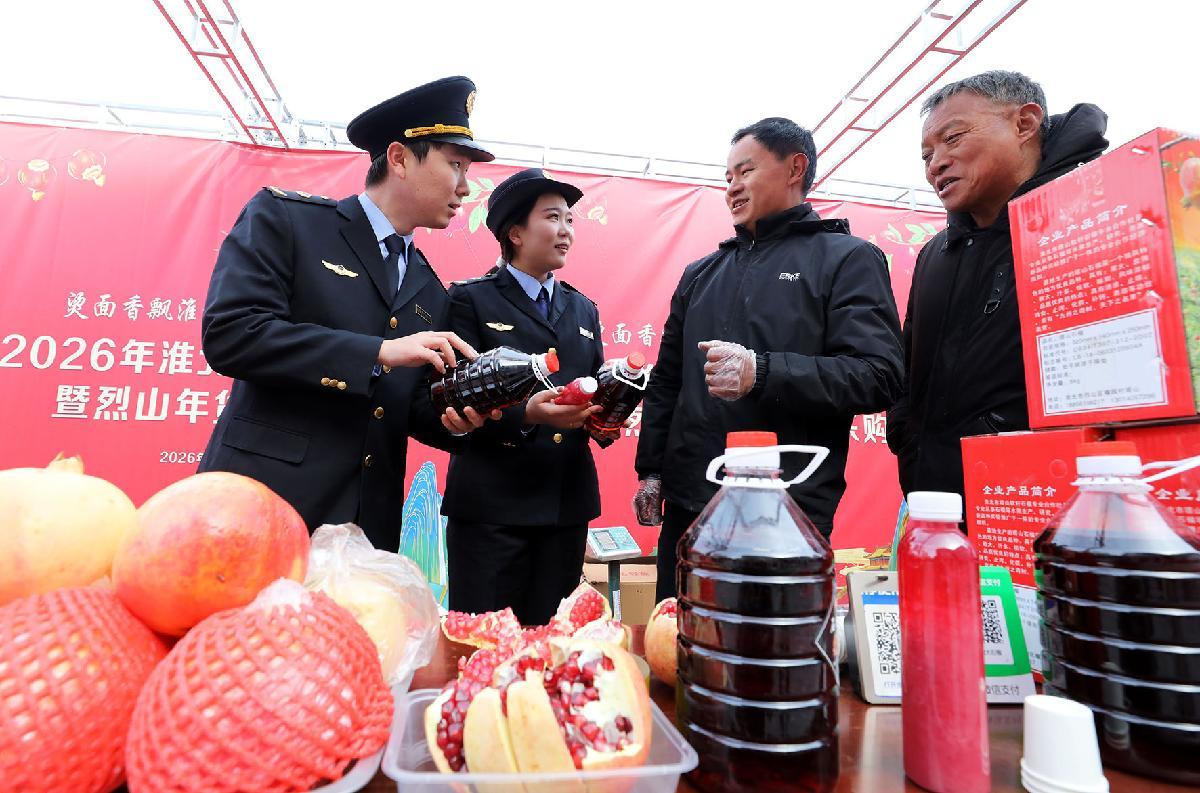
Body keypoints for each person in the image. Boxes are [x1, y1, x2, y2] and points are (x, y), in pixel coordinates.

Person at [199, 76, 500, 552]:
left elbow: (405, 405)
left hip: (365, 530)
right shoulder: (288, 221)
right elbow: (233, 333)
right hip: (261, 507)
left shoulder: (428, 286)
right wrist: (377, 352)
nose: (466, 187)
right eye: (456, 165)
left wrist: (457, 417)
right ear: (399, 158)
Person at [633, 117, 905, 602]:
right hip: (690, 507)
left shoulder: (847, 259)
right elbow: (668, 381)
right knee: (675, 637)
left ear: (795, 168)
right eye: (727, 177)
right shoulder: (700, 273)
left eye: (746, 171)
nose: (732, 188)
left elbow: (878, 375)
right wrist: (651, 471)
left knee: (770, 644)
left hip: (786, 512)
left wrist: (762, 372)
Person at [886, 71, 1108, 502]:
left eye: (953, 138)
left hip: (1051, 498)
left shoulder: (1094, 217)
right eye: (927, 155)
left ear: (1025, 123)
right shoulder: (935, 254)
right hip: (933, 500)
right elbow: (907, 367)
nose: (936, 164)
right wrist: (905, 434)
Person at [440, 168, 612, 625]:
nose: (566, 230)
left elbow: (592, 386)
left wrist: (611, 410)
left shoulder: (584, 309)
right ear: (515, 233)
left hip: (564, 505)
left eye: (570, 220)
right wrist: (526, 415)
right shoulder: (470, 300)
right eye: (553, 218)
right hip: (492, 509)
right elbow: (452, 397)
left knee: (554, 642)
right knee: (484, 640)